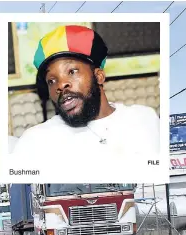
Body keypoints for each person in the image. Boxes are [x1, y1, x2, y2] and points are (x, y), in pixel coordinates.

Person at [12, 25, 160, 156]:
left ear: (99, 76)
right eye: (51, 80)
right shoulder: (35, 142)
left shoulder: (144, 119)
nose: (61, 85)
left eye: (72, 71)